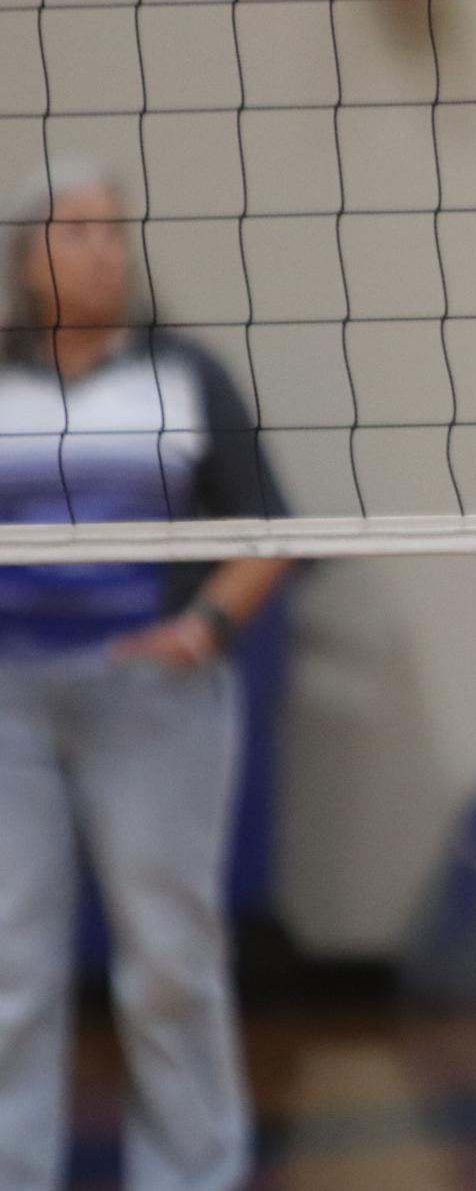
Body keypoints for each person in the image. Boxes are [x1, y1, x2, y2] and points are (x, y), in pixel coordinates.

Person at [0, 158, 292, 1191]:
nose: (103, 247)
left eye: (114, 229)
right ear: (27, 258)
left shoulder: (182, 373)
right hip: (12, 698)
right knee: (13, 965)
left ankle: (195, 1172)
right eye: (76, 230)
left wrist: (205, 628)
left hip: (150, 691)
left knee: (170, 957)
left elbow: (268, 529)